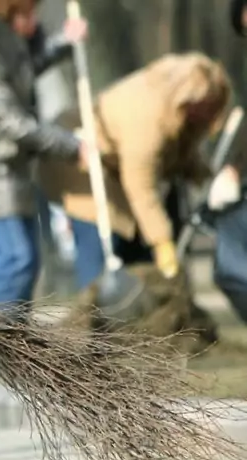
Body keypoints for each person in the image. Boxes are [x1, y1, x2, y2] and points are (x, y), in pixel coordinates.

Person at [0, 0, 88, 371]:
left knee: (28, 259)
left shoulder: (9, 46)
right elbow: (13, 122)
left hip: (11, 171)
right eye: (26, 15)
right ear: (5, 16)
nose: (33, 23)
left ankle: (11, 349)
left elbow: (27, 71)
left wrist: (62, 44)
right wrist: (73, 147)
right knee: (17, 258)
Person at [39, 52, 232, 289]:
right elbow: (141, 186)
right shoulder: (147, 115)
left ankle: (134, 315)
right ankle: (91, 317)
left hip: (114, 168)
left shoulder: (178, 112)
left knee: (134, 245)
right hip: (80, 165)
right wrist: (162, 242)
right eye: (206, 108)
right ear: (189, 100)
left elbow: (179, 154)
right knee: (103, 247)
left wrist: (210, 177)